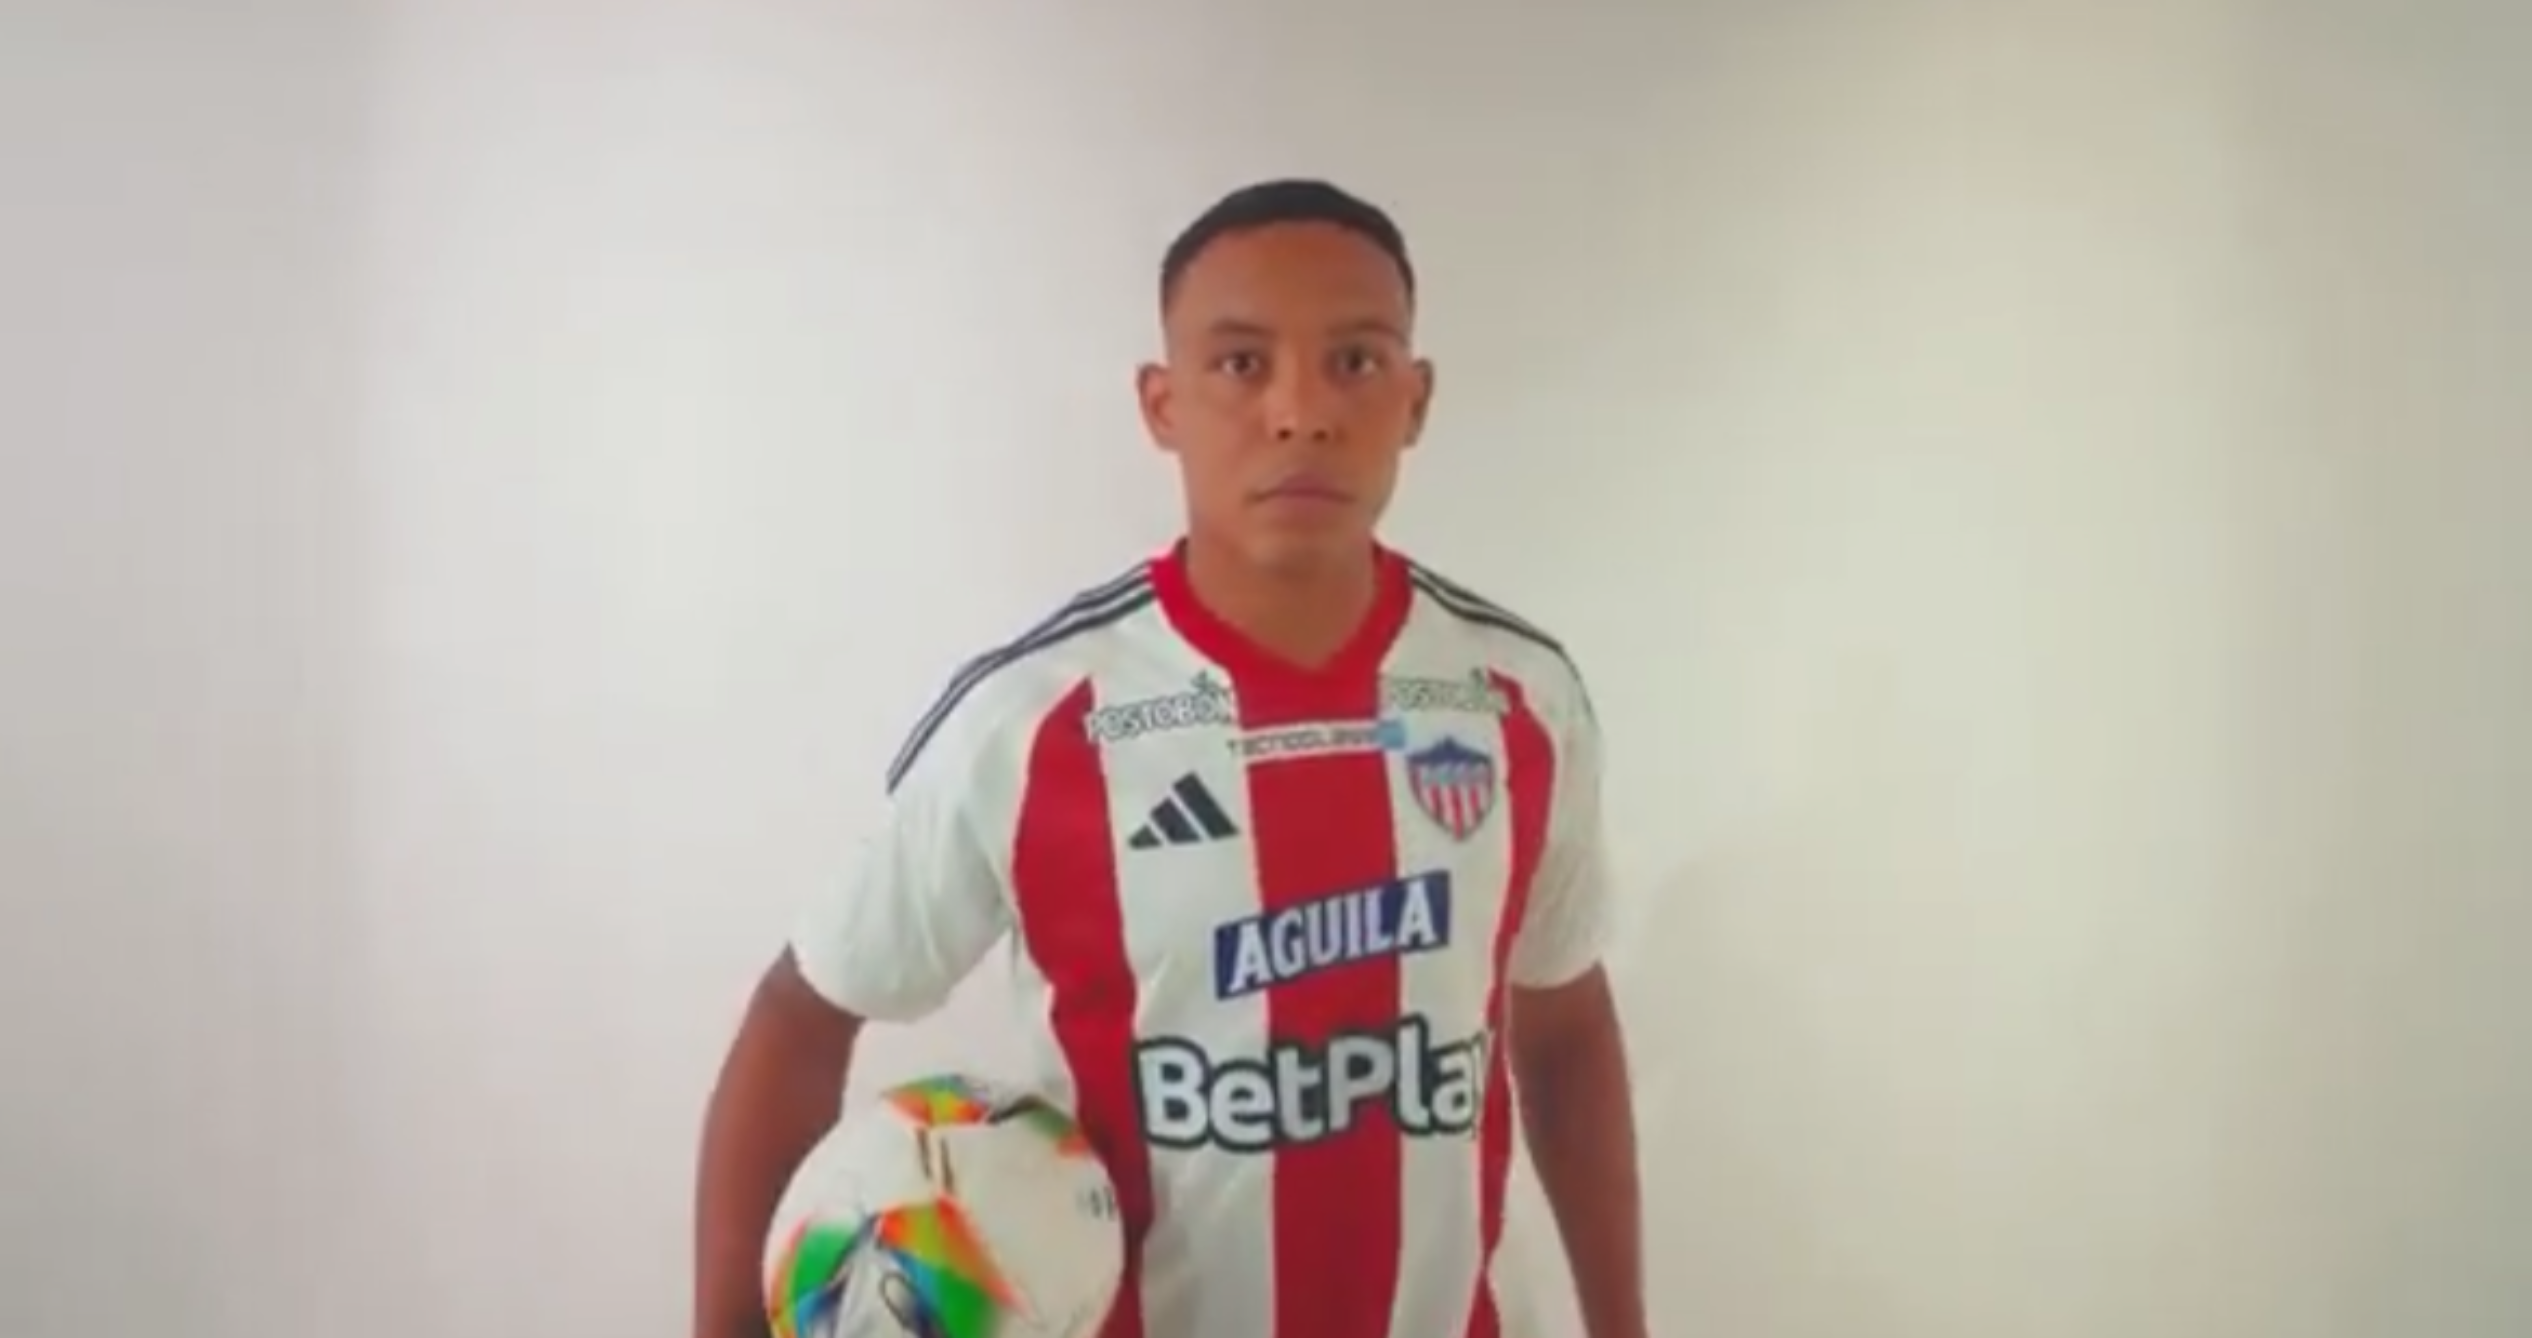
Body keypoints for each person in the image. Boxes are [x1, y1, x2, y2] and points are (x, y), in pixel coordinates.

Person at [693, 179, 1646, 1338]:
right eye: (1242, 364)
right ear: (1162, 404)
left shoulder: (1519, 697)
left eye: (1355, 361)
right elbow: (803, 1012)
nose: (1301, 412)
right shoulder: (1033, 717)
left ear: (1416, 398)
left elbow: (1565, 1022)